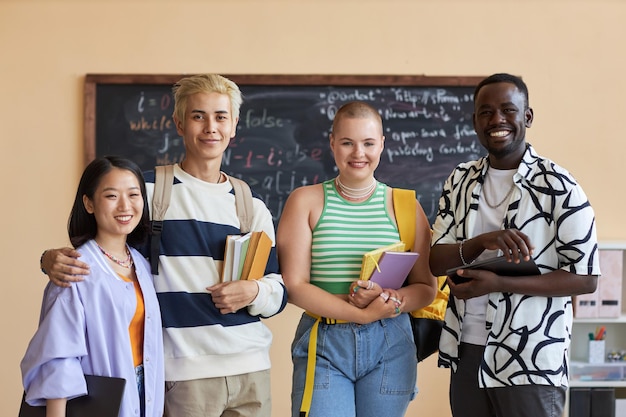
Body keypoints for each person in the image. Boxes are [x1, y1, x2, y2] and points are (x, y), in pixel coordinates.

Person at [39, 74, 287, 417]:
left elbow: (277, 289)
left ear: (234, 126)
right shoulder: (150, 192)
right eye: (198, 116)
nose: (210, 127)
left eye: (221, 117)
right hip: (183, 374)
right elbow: (104, 255)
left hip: (251, 368)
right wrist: (48, 259)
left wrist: (253, 292)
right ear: (179, 123)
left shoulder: (250, 204)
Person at [429, 73, 600, 417]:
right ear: (475, 121)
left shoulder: (559, 185)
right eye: (486, 112)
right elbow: (435, 261)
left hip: (531, 355)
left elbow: (585, 278)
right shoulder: (460, 179)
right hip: (468, 349)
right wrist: (481, 242)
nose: (497, 120)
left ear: (528, 117)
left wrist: (500, 284)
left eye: (508, 110)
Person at [276, 101, 437, 417]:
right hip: (324, 339)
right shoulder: (305, 201)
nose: (358, 153)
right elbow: (294, 285)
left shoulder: (405, 205)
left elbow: (425, 288)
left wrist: (390, 298)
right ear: (332, 143)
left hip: (391, 341)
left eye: (368, 143)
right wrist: (360, 313)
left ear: (382, 144)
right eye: (347, 143)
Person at [21, 156, 164, 417]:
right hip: (102, 401)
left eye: (134, 195)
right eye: (111, 196)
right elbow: (59, 359)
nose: (125, 206)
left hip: (145, 392)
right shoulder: (76, 268)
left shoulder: (141, 264)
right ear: (89, 203)